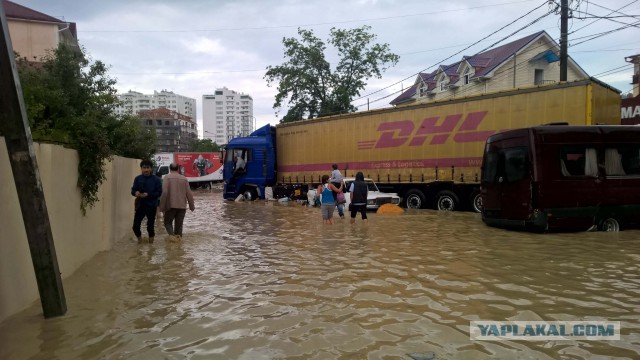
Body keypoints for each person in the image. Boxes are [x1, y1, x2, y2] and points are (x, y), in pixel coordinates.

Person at [159, 163, 195, 240]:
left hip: (170, 206)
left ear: (169, 169)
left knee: (167, 223)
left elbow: (164, 192)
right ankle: (179, 246)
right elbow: (189, 193)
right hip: (182, 206)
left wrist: (161, 206)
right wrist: (192, 206)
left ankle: (172, 239)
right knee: (179, 227)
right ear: (178, 169)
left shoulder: (167, 177)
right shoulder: (184, 178)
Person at [131, 159, 163, 243]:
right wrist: (136, 193)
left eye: (147, 168)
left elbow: (159, 192)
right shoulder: (137, 179)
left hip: (151, 206)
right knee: (135, 226)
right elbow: (133, 190)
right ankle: (140, 240)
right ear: (141, 168)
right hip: (140, 206)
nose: (146, 170)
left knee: (150, 227)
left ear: (151, 168)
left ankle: (151, 245)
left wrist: (148, 195)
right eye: (144, 168)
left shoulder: (156, 180)